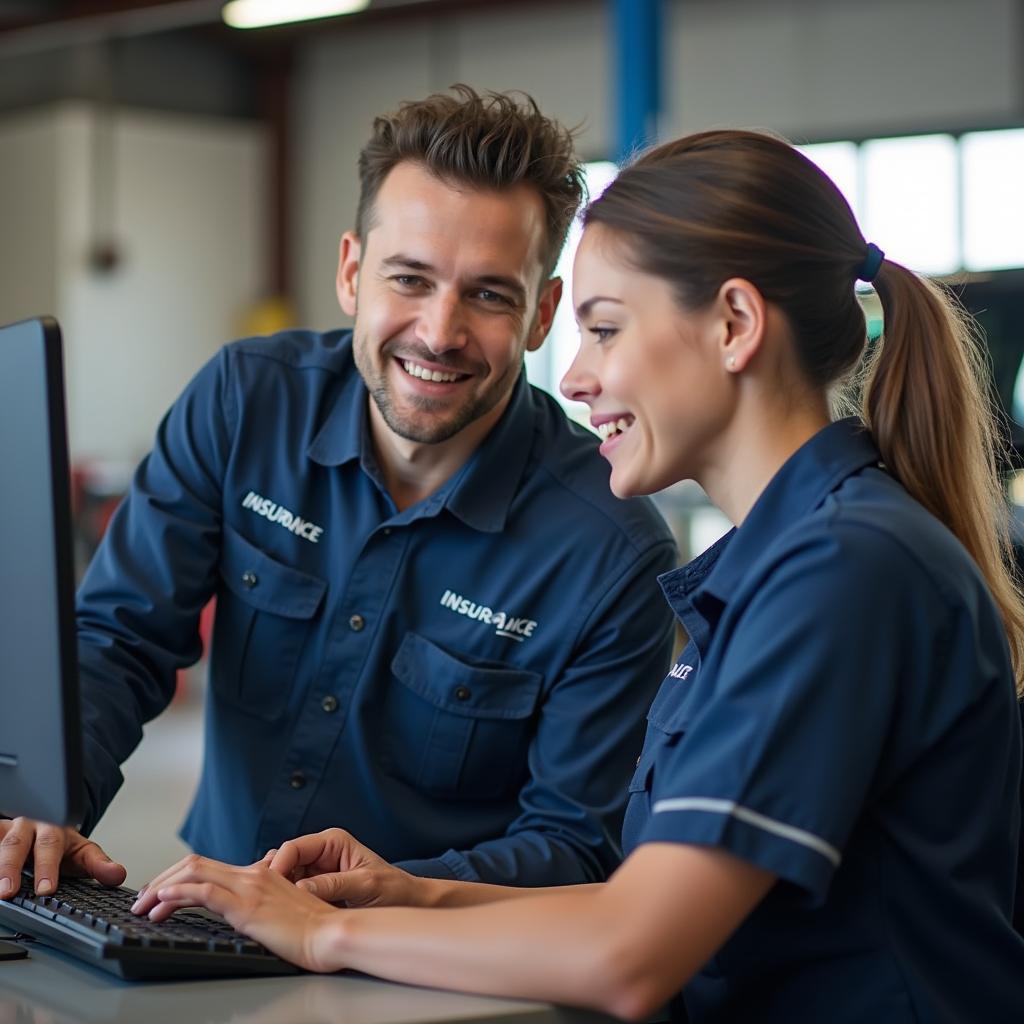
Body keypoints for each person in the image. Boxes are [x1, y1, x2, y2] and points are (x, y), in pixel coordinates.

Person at [133, 129, 1024, 1023]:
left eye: (603, 329)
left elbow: (630, 957)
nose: (579, 376)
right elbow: (634, 903)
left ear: (734, 326)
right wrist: (394, 891)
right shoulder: (781, 565)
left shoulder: (842, 571)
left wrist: (324, 937)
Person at [0, 87, 678, 899]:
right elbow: (121, 636)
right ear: (353, 271)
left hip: (437, 975)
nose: (438, 331)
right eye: (410, 279)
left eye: (490, 294)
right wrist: (41, 806)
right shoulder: (244, 403)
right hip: (200, 915)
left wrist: (363, 901)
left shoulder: (609, 552)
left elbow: (574, 846)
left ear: (542, 315)